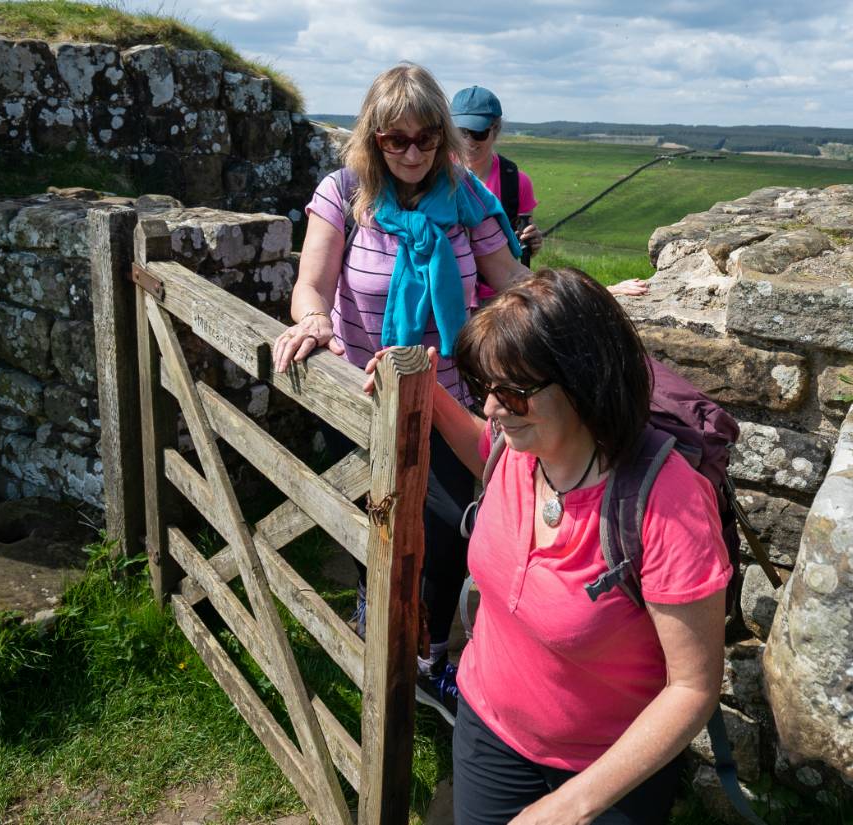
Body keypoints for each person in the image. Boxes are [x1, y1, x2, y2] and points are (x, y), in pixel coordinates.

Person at [272, 62, 530, 723]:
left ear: (442, 136)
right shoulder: (343, 192)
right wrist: (312, 317)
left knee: (446, 530)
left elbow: (510, 282)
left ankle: (426, 660)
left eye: (424, 137)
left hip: (448, 398)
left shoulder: (465, 195)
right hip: (360, 396)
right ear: (374, 138)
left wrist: (581, 313)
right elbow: (312, 282)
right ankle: (375, 618)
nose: (412, 152)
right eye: (396, 139)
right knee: (375, 525)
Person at [429, 267, 730, 825]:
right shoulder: (518, 448)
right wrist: (427, 393)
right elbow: (486, 448)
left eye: (513, 393)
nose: (493, 409)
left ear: (583, 384)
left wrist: (573, 805)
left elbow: (692, 688)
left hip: (606, 774)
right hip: (486, 726)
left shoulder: (667, 506)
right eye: (483, 388)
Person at [450, 85, 649, 300]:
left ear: (495, 129)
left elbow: (513, 260)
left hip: (501, 293)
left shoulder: (514, 181)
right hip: (453, 292)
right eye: (461, 132)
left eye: (478, 132)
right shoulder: (436, 174)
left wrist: (530, 245)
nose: (468, 141)